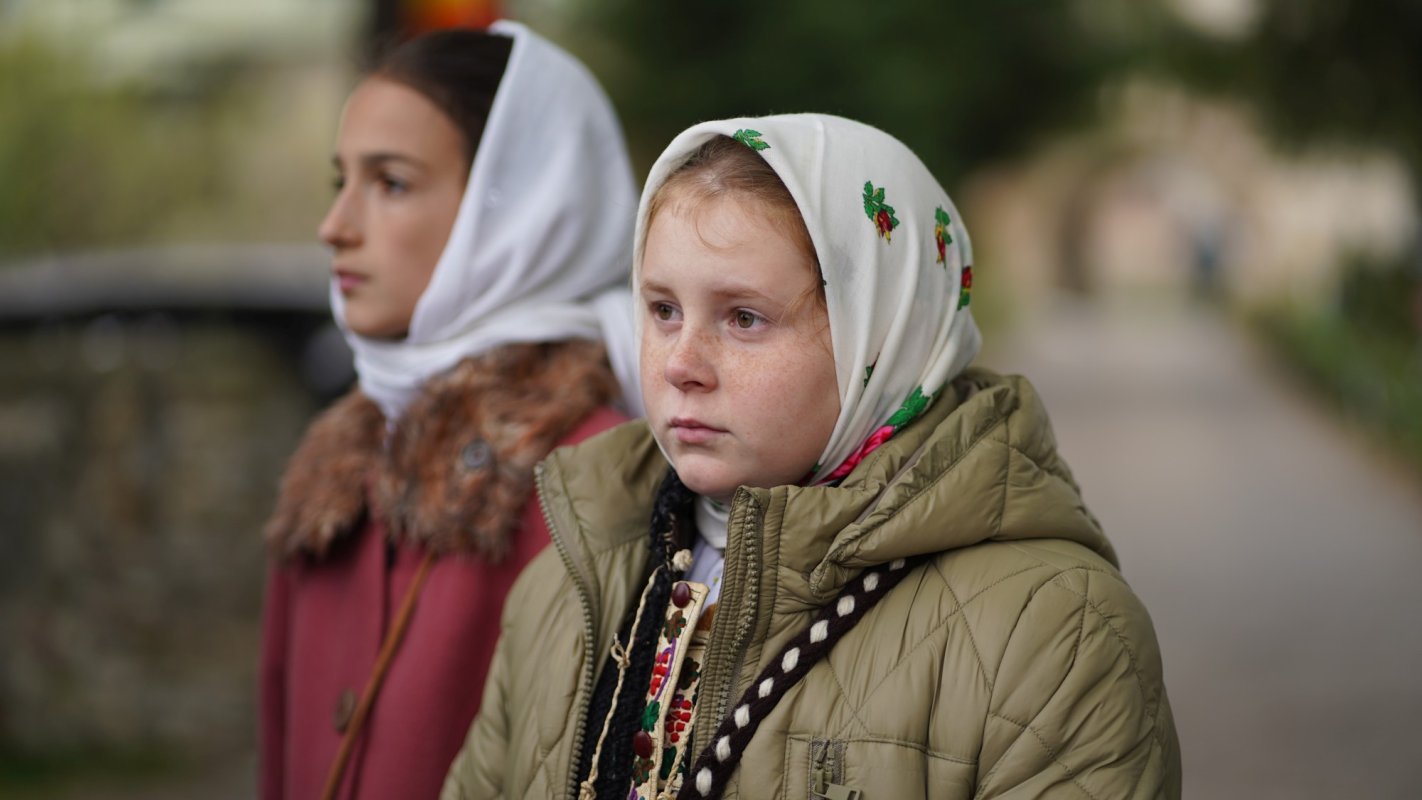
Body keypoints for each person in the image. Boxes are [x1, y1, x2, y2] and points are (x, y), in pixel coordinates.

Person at [443, 114, 1182, 799]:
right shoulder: (567, 584)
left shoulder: (1057, 634)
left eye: (744, 317)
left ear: (881, 336)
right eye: (662, 309)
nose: (681, 363)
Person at [259, 21, 641, 800]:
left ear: (516, 213)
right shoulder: (335, 473)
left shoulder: (591, 480)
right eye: (343, 182)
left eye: (391, 182)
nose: (336, 227)